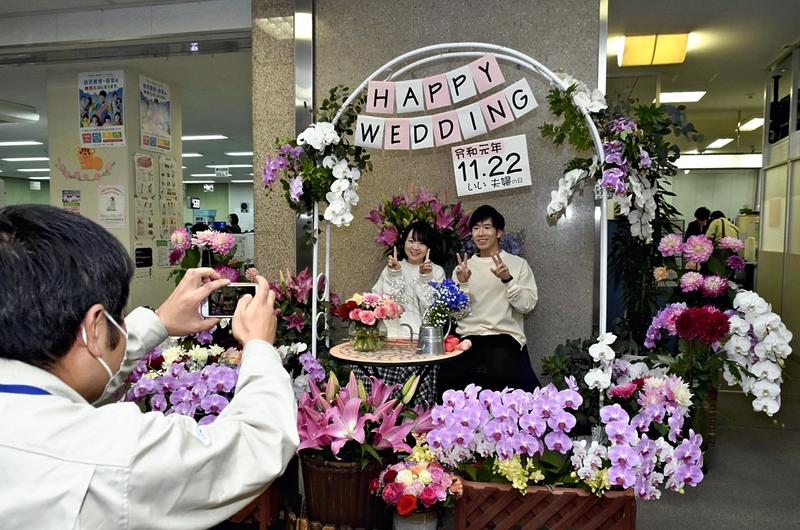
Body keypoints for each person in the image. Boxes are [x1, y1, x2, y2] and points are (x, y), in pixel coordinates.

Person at [0, 204, 298, 529]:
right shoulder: (113, 452)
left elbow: (80, 367)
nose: (123, 326)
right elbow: (257, 444)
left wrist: (159, 321)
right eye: (120, 315)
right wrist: (259, 346)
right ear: (95, 327)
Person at [441, 205, 540, 395]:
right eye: (476, 228)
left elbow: (527, 306)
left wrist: (508, 280)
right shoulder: (463, 268)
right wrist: (463, 283)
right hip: (469, 336)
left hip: (504, 336)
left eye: (487, 227)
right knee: (448, 377)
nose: (481, 233)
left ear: (499, 232)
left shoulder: (518, 264)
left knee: (502, 373)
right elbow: (457, 314)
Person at [364, 221, 445, 407]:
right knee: (384, 401)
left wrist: (425, 277)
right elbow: (384, 303)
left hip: (421, 345)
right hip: (389, 340)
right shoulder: (392, 267)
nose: (415, 247)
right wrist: (394, 274)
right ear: (403, 242)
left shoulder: (437, 271)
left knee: (415, 401)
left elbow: (432, 310)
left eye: (422, 243)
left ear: (429, 247)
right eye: (411, 241)